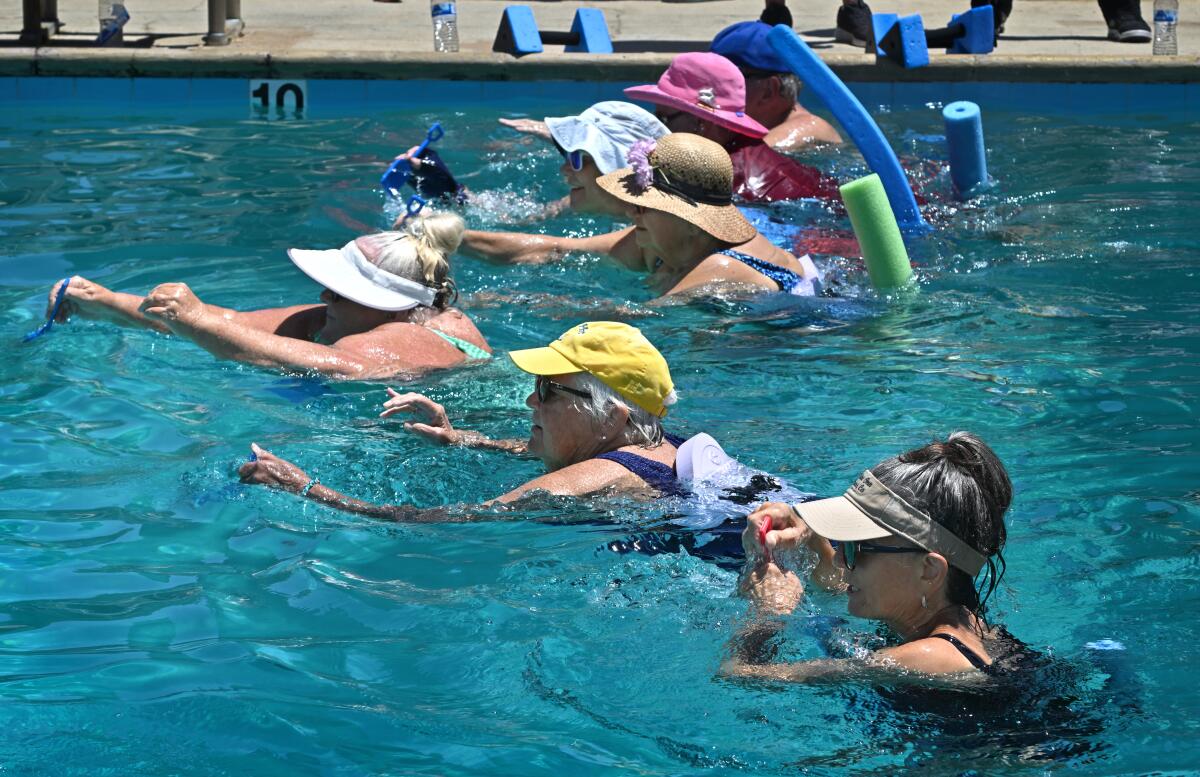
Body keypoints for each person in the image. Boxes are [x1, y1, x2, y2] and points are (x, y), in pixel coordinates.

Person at [239, 322, 706, 515]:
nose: (530, 402)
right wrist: (457, 437)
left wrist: (303, 487)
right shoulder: (657, 445)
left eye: (547, 390)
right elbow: (526, 449)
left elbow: (443, 521)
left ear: (611, 417)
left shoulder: (588, 479)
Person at [721, 432, 1036, 682]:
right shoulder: (959, 624)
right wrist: (812, 539)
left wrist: (767, 614)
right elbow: (837, 583)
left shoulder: (929, 656)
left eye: (857, 548)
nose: (843, 563)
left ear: (929, 570)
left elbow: (739, 675)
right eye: (843, 543)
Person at [43, 213, 490, 380]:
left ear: (384, 303)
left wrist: (198, 321)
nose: (323, 296)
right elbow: (234, 323)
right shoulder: (352, 317)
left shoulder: (401, 339)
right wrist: (102, 300)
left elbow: (321, 365)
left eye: (338, 291)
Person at [458, 133, 824, 299]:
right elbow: (554, 250)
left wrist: (510, 303)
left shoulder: (723, 269)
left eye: (644, 204)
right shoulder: (662, 241)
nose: (631, 211)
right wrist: (452, 237)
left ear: (688, 219)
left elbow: (640, 323)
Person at [625, 52, 841, 204]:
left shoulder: (730, 185)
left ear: (703, 123)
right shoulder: (735, 157)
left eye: (664, 119)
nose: (655, 131)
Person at [710, 21, 843, 150]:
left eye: (725, 80)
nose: (710, 89)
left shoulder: (811, 129)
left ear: (769, 90)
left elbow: (743, 162)